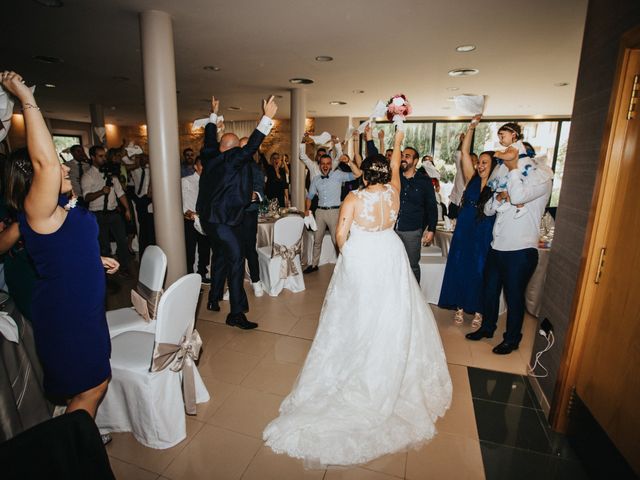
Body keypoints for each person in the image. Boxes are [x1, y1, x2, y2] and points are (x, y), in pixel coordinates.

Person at [263, 129, 452, 466]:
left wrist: (350, 260)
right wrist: (396, 141)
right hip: (390, 253)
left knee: (357, 314)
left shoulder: (354, 198)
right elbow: (395, 167)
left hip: (365, 254)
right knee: (391, 310)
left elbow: (340, 235)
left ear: (364, 173)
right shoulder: (394, 193)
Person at [1, 71, 119, 422]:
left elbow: (63, 247)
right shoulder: (38, 211)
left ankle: (75, 439)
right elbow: (46, 163)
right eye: (57, 168)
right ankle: (72, 453)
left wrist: (92, 260)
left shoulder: (60, 208)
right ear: (36, 181)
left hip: (84, 309)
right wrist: (25, 98)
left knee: (96, 383)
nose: (65, 167)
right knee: (91, 386)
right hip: (67, 315)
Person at [466, 122, 553, 354]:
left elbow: (518, 196)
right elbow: (488, 210)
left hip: (521, 250)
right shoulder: (506, 180)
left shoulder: (539, 179)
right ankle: (487, 327)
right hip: (497, 247)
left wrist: (514, 169)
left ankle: (512, 339)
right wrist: (499, 197)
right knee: (490, 291)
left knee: (514, 298)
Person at [197, 95, 277, 329]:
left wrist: (213, 115)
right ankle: (236, 313)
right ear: (232, 151)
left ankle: (214, 300)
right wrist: (266, 119)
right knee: (236, 259)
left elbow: (209, 136)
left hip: (211, 220)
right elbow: (251, 145)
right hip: (220, 221)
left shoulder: (210, 154)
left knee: (223, 257)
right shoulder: (232, 160)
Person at [439, 115, 498, 328]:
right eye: (479, 162)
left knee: (480, 269)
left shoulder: (497, 185)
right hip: (464, 228)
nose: (480, 165)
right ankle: (460, 307)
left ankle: (479, 311)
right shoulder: (471, 178)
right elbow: (464, 153)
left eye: (484, 162)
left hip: (484, 230)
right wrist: (471, 128)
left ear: (493, 166)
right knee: (460, 266)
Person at [302, 153, 361, 274]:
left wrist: (349, 162)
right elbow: (309, 196)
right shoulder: (315, 180)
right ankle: (314, 264)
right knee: (317, 240)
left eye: (328, 163)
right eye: (322, 164)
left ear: (331, 165)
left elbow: (358, 174)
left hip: (334, 212)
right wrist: (307, 209)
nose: (325, 166)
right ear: (319, 165)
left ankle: (343, 266)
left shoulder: (338, 175)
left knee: (337, 241)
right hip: (319, 213)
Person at [81, 145, 133, 275]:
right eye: (100, 156)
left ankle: (124, 268)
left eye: (104, 155)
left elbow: (120, 193)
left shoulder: (111, 173)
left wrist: (127, 209)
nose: (104, 158)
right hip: (97, 215)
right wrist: (101, 192)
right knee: (104, 245)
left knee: (122, 240)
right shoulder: (88, 176)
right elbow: (86, 197)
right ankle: (107, 271)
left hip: (114, 213)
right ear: (93, 157)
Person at [182, 155, 211, 282]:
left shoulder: (209, 182)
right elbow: (182, 200)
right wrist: (188, 213)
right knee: (190, 250)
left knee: (204, 249)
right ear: (196, 166)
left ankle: (202, 274)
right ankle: (188, 277)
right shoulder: (186, 181)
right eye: (202, 165)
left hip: (204, 219)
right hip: (190, 219)